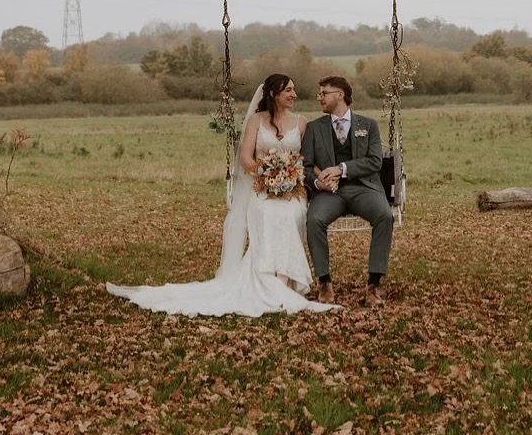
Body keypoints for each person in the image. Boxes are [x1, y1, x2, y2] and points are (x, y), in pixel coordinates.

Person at [107, 74, 336, 317]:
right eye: (288, 90)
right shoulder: (256, 121)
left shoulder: (301, 123)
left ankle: (287, 281)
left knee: (291, 214)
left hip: (292, 191)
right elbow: (246, 158)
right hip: (261, 189)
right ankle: (270, 281)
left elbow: (307, 160)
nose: (294, 95)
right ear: (273, 94)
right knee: (267, 213)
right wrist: (267, 174)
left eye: (294, 89)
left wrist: (290, 177)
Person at [302, 75, 393, 306]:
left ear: (340, 95)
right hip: (329, 194)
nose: (319, 97)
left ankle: (373, 284)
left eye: (324, 93)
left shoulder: (368, 125)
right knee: (314, 219)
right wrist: (318, 183)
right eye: (319, 93)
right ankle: (324, 282)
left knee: (384, 215)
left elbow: (375, 161)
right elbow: (305, 166)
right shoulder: (314, 128)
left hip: (363, 188)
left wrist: (341, 168)